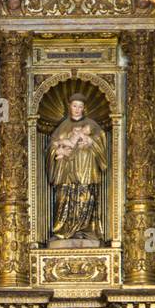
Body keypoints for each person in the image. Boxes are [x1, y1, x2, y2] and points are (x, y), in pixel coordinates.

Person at [46, 93, 107, 242]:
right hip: (66, 171)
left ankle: (83, 229)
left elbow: (101, 142)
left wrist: (90, 142)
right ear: (69, 107)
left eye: (80, 106)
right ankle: (63, 229)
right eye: (74, 106)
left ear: (84, 108)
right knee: (64, 197)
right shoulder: (63, 126)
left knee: (85, 197)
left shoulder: (92, 125)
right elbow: (51, 147)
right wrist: (58, 151)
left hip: (86, 168)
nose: (77, 109)